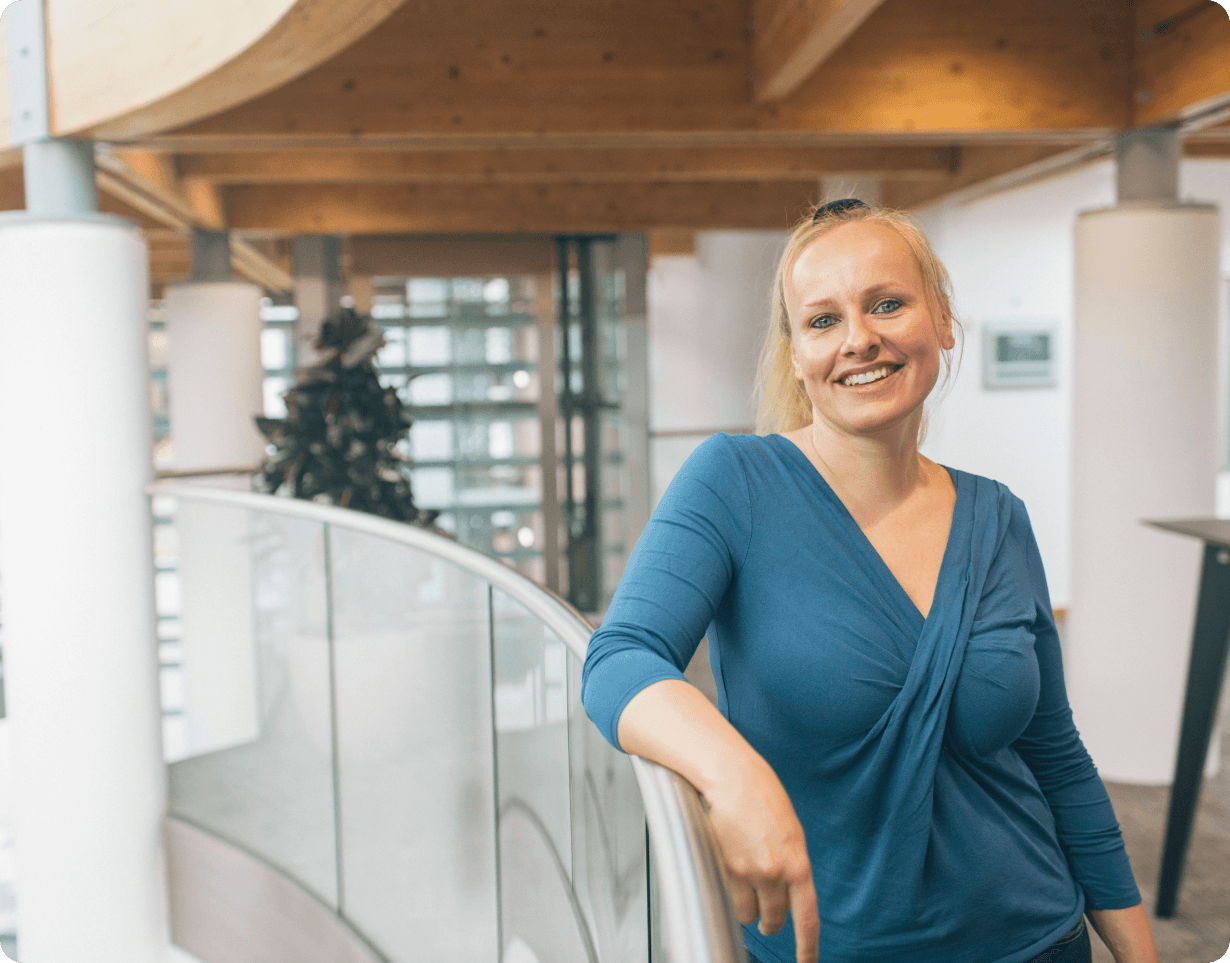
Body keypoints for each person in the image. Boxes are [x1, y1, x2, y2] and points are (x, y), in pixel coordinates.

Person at [581, 200, 1160, 963]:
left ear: (943, 321)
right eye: (822, 321)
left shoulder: (997, 516)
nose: (860, 338)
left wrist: (1140, 953)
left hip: (1036, 938)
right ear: (795, 354)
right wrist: (734, 776)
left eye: (887, 303)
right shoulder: (736, 482)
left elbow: (1055, 754)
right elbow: (619, 658)